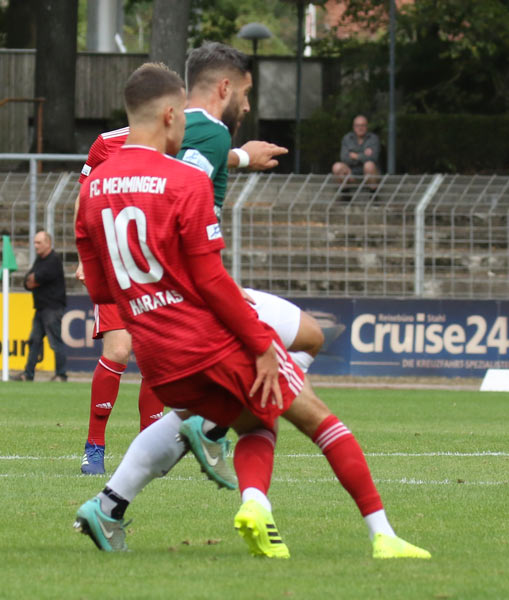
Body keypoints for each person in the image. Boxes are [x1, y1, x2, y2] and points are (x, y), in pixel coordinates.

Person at [73, 63, 429, 560]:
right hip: (206, 339)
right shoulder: (184, 180)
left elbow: (98, 286)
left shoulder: (92, 189)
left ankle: (129, 498)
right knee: (317, 417)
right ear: (171, 115)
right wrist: (260, 344)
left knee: (257, 422)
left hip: (155, 357)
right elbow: (210, 280)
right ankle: (384, 536)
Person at [75, 41, 292, 477]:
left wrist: (243, 157)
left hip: (163, 269)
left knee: (158, 360)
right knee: (119, 351)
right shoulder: (109, 145)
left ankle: (150, 447)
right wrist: (88, 255)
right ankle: (95, 446)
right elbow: (86, 197)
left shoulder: (184, 137)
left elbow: (192, 163)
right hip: (127, 264)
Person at [16, 231, 67, 382]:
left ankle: (61, 374)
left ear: (48, 243)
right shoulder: (40, 260)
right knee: (34, 341)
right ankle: (28, 374)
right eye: (35, 242)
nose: (35, 246)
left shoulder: (53, 260)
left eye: (38, 242)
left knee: (55, 342)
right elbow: (27, 281)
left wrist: (31, 280)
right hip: (41, 308)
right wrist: (30, 280)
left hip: (52, 307)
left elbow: (36, 279)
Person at [331, 114, 380, 198]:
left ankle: (373, 195)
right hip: (351, 174)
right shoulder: (347, 138)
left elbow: (373, 158)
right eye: (357, 125)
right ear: (354, 127)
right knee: (337, 166)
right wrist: (363, 155)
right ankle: (345, 195)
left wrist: (355, 156)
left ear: (367, 126)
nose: (360, 128)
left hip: (370, 175)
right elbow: (344, 158)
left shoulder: (373, 139)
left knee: (369, 165)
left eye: (362, 125)